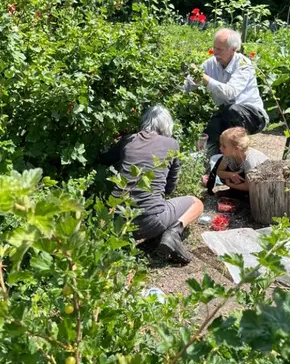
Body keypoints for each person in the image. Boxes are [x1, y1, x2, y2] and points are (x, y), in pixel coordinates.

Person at [99, 105, 203, 264]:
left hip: (117, 221)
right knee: (197, 203)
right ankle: (173, 233)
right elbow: (170, 189)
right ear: (168, 126)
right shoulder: (172, 144)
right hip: (151, 221)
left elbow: (104, 159)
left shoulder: (128, 140)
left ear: (144, 122)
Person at [183, 28, 269, 157]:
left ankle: (235, 157)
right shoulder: (211, 63)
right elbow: (190, 83)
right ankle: (205, 160)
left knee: (232, 111)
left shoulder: (243, 65)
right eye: (214, 48)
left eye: (220, 49)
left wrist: (204, 78)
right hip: (226, 113)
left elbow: (230, 93)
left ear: (233, 50)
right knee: (210, 130)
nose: (215, 53)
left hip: (253, 116)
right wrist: (171, 87)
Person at [209, 127, 269, 198]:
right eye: (220, 145)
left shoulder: (250, 162)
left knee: (250, 194)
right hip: (245, 180)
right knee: (224, 169)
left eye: (224, 146)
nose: (220, 148)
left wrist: (230, 184)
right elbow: (219, 171)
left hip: (260, 186)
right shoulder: (229, 155)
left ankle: (235, 194)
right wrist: (231, 174)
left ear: (236, 149)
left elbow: (248, 186)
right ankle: (234, 193)